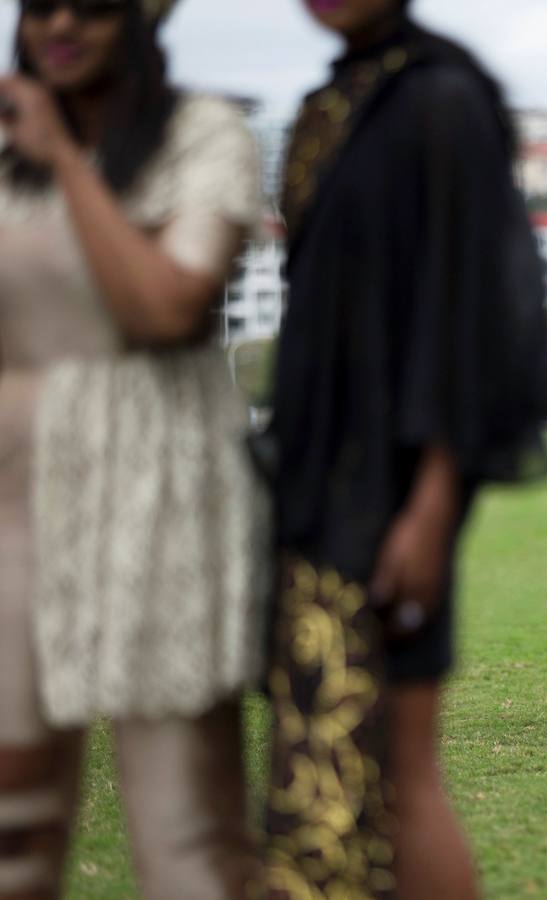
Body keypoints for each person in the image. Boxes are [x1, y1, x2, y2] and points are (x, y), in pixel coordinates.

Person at [263, 1, 547, 898]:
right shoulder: (338, 96)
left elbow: (472, 313)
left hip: (396, 480)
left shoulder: (440, 97)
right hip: (316, 464)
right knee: (323, 753)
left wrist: (432, 507)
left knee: (397, 768)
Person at [0, 0, 265, 897]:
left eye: (93, 8)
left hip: (159, 491)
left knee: (184, 826)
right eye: (41, 7)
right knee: (12, 822)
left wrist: (66, 161)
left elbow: (164, 309)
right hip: (12, 504)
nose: (60, 28)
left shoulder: (202, 133)